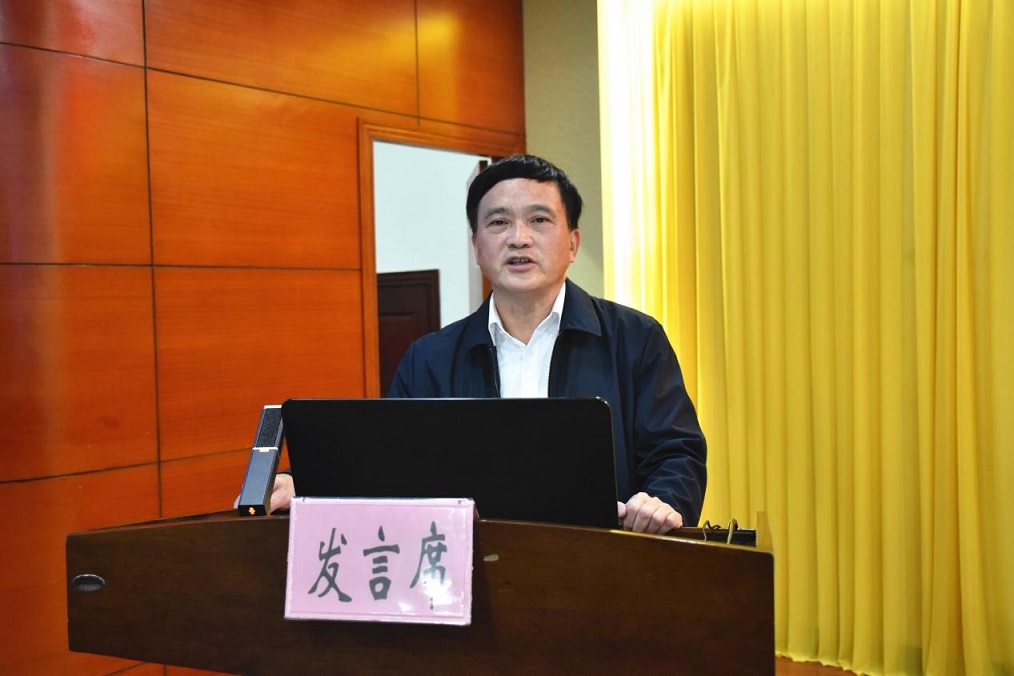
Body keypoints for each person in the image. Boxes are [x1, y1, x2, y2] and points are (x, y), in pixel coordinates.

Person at [263, 154, 707, 534]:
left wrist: (662, 502)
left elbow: (676, 453)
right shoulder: (429, 358)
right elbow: (390, 463)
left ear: (572, 243)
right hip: (471, 574)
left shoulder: (635, 339)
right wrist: (309, 482)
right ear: (477, 246)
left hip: (603, 565)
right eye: (498, 222)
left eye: (539, 220)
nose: (519, 237)